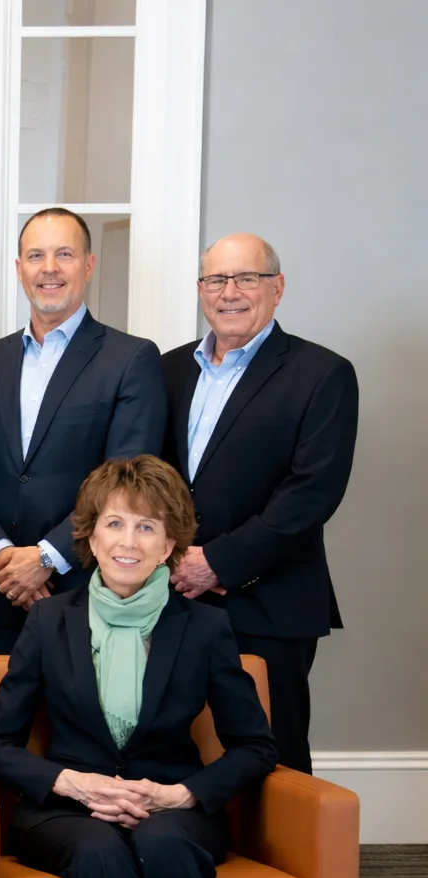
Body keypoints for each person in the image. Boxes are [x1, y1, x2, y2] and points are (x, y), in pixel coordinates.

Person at [0, 455, 276, 878]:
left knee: (164, 845)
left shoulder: (206, 627)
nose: (128, 541)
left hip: (170, 801)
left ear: (170, 546)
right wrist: (77, 785)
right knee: (101, 851)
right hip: (64, 808)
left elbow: (256, 748)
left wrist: (180, 796)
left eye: (147, 526)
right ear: (89, 534)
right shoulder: (48, 622)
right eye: (114, 523)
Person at [161, 233, 358, 774]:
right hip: (175, 594)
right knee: (179, 751)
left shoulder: (322, 373)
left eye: (246, 278)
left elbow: (312, 492)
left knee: (273, 754)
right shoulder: (170, 368)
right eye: (215, 279)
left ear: (277, 287)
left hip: (269, 601)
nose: (230, 292)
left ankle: (287, 862)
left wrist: (218, 562)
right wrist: (177, 561)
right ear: (201, 290)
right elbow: (152, 479)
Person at [0, 208, 166, 654]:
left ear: (88, 265)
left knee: (82, 724)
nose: (49, 268)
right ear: (19, 269)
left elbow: (125, 480)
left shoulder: (131, 360)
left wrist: (46, 557)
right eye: (35, 255)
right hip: (1, 593)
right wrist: (4, 558)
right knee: (0, 721)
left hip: (88, 591)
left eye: (64, 254)